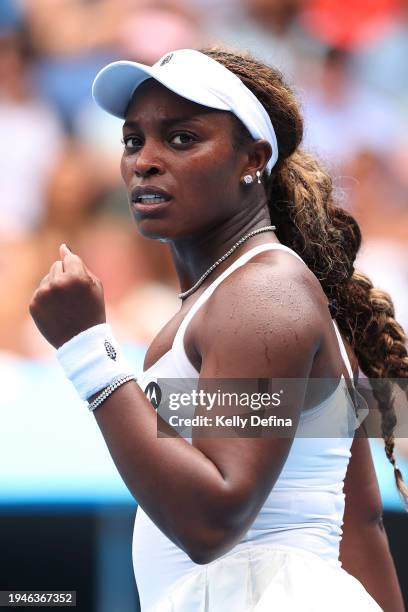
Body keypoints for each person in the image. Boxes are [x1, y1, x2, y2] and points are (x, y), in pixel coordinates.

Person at [29, 48, 407, 611]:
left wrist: (88, 350)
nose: (145, 161)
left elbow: (213, 519)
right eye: (133, 140)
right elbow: (360, 521)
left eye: (182, 139)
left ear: (252, 159)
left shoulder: (262, 292)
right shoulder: (250, 294)